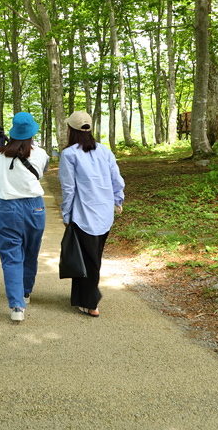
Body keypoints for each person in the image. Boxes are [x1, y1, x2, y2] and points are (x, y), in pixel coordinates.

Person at [0, 112, 50, 322]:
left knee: (11, 257)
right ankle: (26, 291)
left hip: (7, 209)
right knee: (31, 252)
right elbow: (41, 171)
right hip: (35, 208)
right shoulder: (42, 154)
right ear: (32, 133)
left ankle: (17, 307)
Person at [58, 111, 125, 318]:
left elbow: (68, 188)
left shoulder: (69, 154)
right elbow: (117, 178)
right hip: (104, 213)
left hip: (83, 213)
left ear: (70, 130)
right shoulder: (105, 151)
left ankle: (91, 302)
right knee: (91, 256)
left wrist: (66, 214)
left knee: (89, 259)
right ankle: (81, 298)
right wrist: (117, 199)